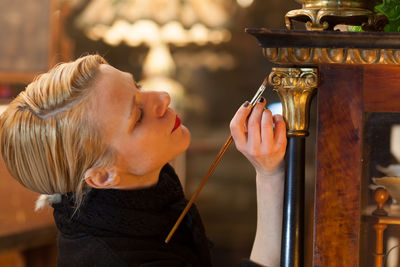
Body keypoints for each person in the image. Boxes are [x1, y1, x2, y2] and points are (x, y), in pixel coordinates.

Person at [0, 55, 286, 267]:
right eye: (137, 116)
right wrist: (269, 174)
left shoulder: (139, 204)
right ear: (103, 176)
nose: (163, 97)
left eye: (137, 86)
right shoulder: (111, 258)